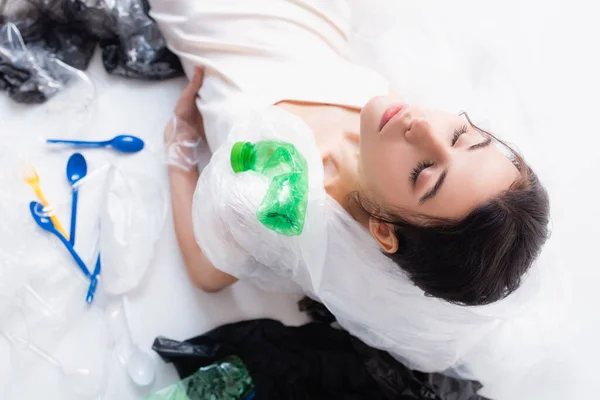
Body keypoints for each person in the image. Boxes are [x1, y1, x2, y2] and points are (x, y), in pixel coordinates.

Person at [151, 0, 550, 374]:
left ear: (382, 229)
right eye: (463, 136)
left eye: (425, 172)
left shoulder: (277, 198)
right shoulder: (392, 128)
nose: (423, 126)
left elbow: (209, 274)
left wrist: (181, 149)